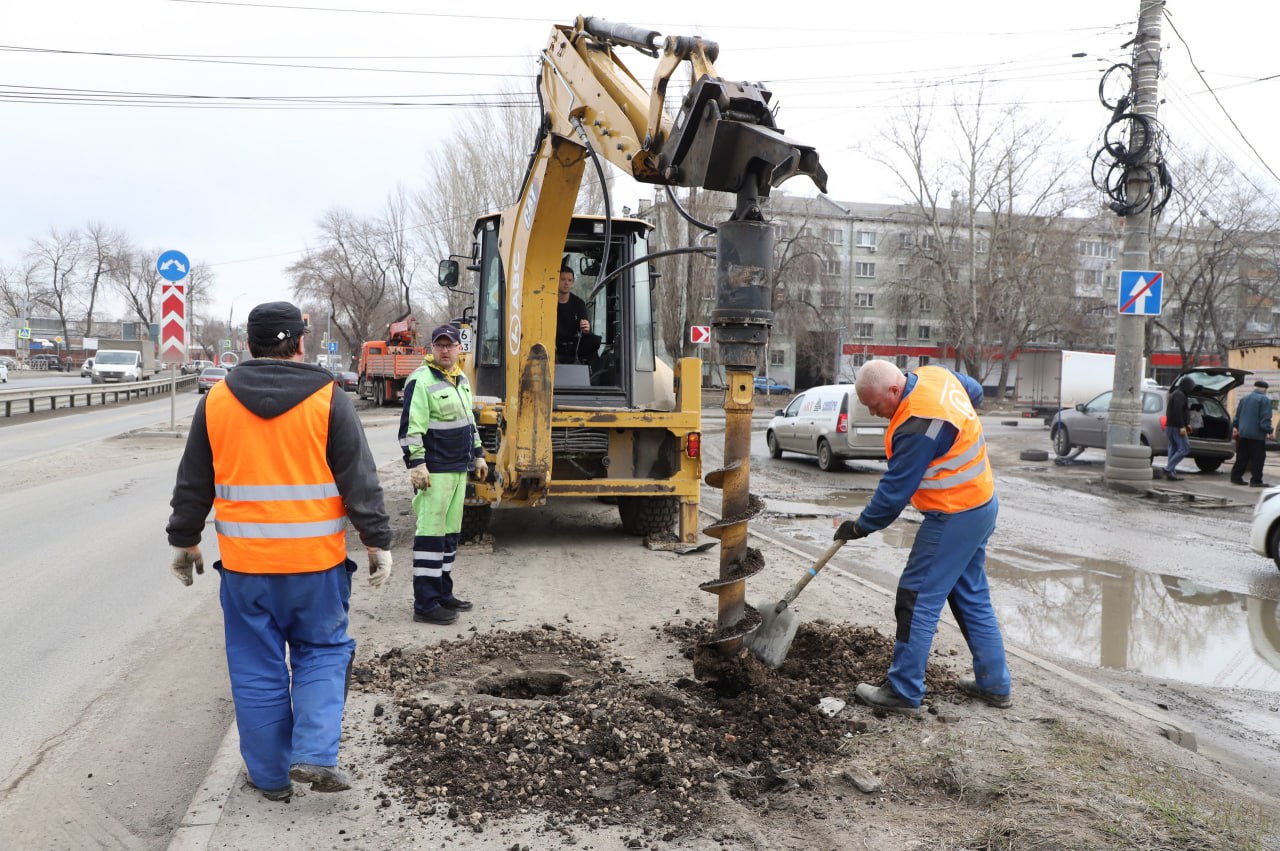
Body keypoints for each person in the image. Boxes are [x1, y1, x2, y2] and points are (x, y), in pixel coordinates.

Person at [166, 301, 394, 802]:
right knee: (323, 652)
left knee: (256, 667)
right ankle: (314, 752)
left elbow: (193, 482)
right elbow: (361, 480)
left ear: (249, 344)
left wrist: (184, 540)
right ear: (301, 342)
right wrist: (378, 542)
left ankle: (269, 779)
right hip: (317, 568)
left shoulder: (218, 401)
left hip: (247, 571)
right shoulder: (328, 399)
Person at [833, 359, 1010, 716]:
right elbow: (973, 390)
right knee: (970, 596)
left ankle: (903, 689)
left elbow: (894, 494)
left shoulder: (918, 425)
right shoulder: (936, 375)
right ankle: (995, 684)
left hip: (954, 514)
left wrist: (859, 526)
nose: (874, 412)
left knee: (916, 597)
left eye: (875, 405)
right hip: (981, 504)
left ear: (895, 390)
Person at [401, 324, 488, 625]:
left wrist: (478, 454)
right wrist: (416, 464)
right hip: (434, 473)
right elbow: (411, 429)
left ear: (458, 349)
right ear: (432, 348)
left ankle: (442, 593)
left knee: (449, 536)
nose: (445, 350)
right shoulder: (421, 381)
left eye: (450, 345)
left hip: (458, 470)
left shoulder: (461, 379)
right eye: (440, 345)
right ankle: (425, 603)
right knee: (430, 537)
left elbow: (469, 421)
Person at [1230, 379, 1274, 487]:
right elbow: (1265, 419)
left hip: (1243, 433)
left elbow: (1237, 417)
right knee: (1258, 458)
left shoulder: (1244, 399)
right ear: (1264, 390)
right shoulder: (1264, 400)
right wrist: (1269, 430)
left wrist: (1237, 427)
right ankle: (1256, 481)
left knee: (1242, 456)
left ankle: (1235, 477)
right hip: (1257, 435)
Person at [555, 261, 591, 363]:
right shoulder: (548, 302)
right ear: (556, 280)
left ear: (573, 283)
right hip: (552, 347)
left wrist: (586, 329)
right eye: (563, 279)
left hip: (573, 349)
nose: (566, 283)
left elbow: (586, 328)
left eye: (569, 280)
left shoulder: (579, 303)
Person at [1163, 376, 1193, 481]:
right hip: (1176, 427)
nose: (1191, 388)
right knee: (1185, 448)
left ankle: (1171, 473)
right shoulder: (1180, 395)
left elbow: (1179, 411)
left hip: (1171, 426)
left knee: (1174, 448)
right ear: (1186, 386)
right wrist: (1182, 427)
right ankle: (1168, 468)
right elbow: (1178, 412)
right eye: (1191, 386)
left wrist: (1187, 423)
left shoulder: (1176, 393)